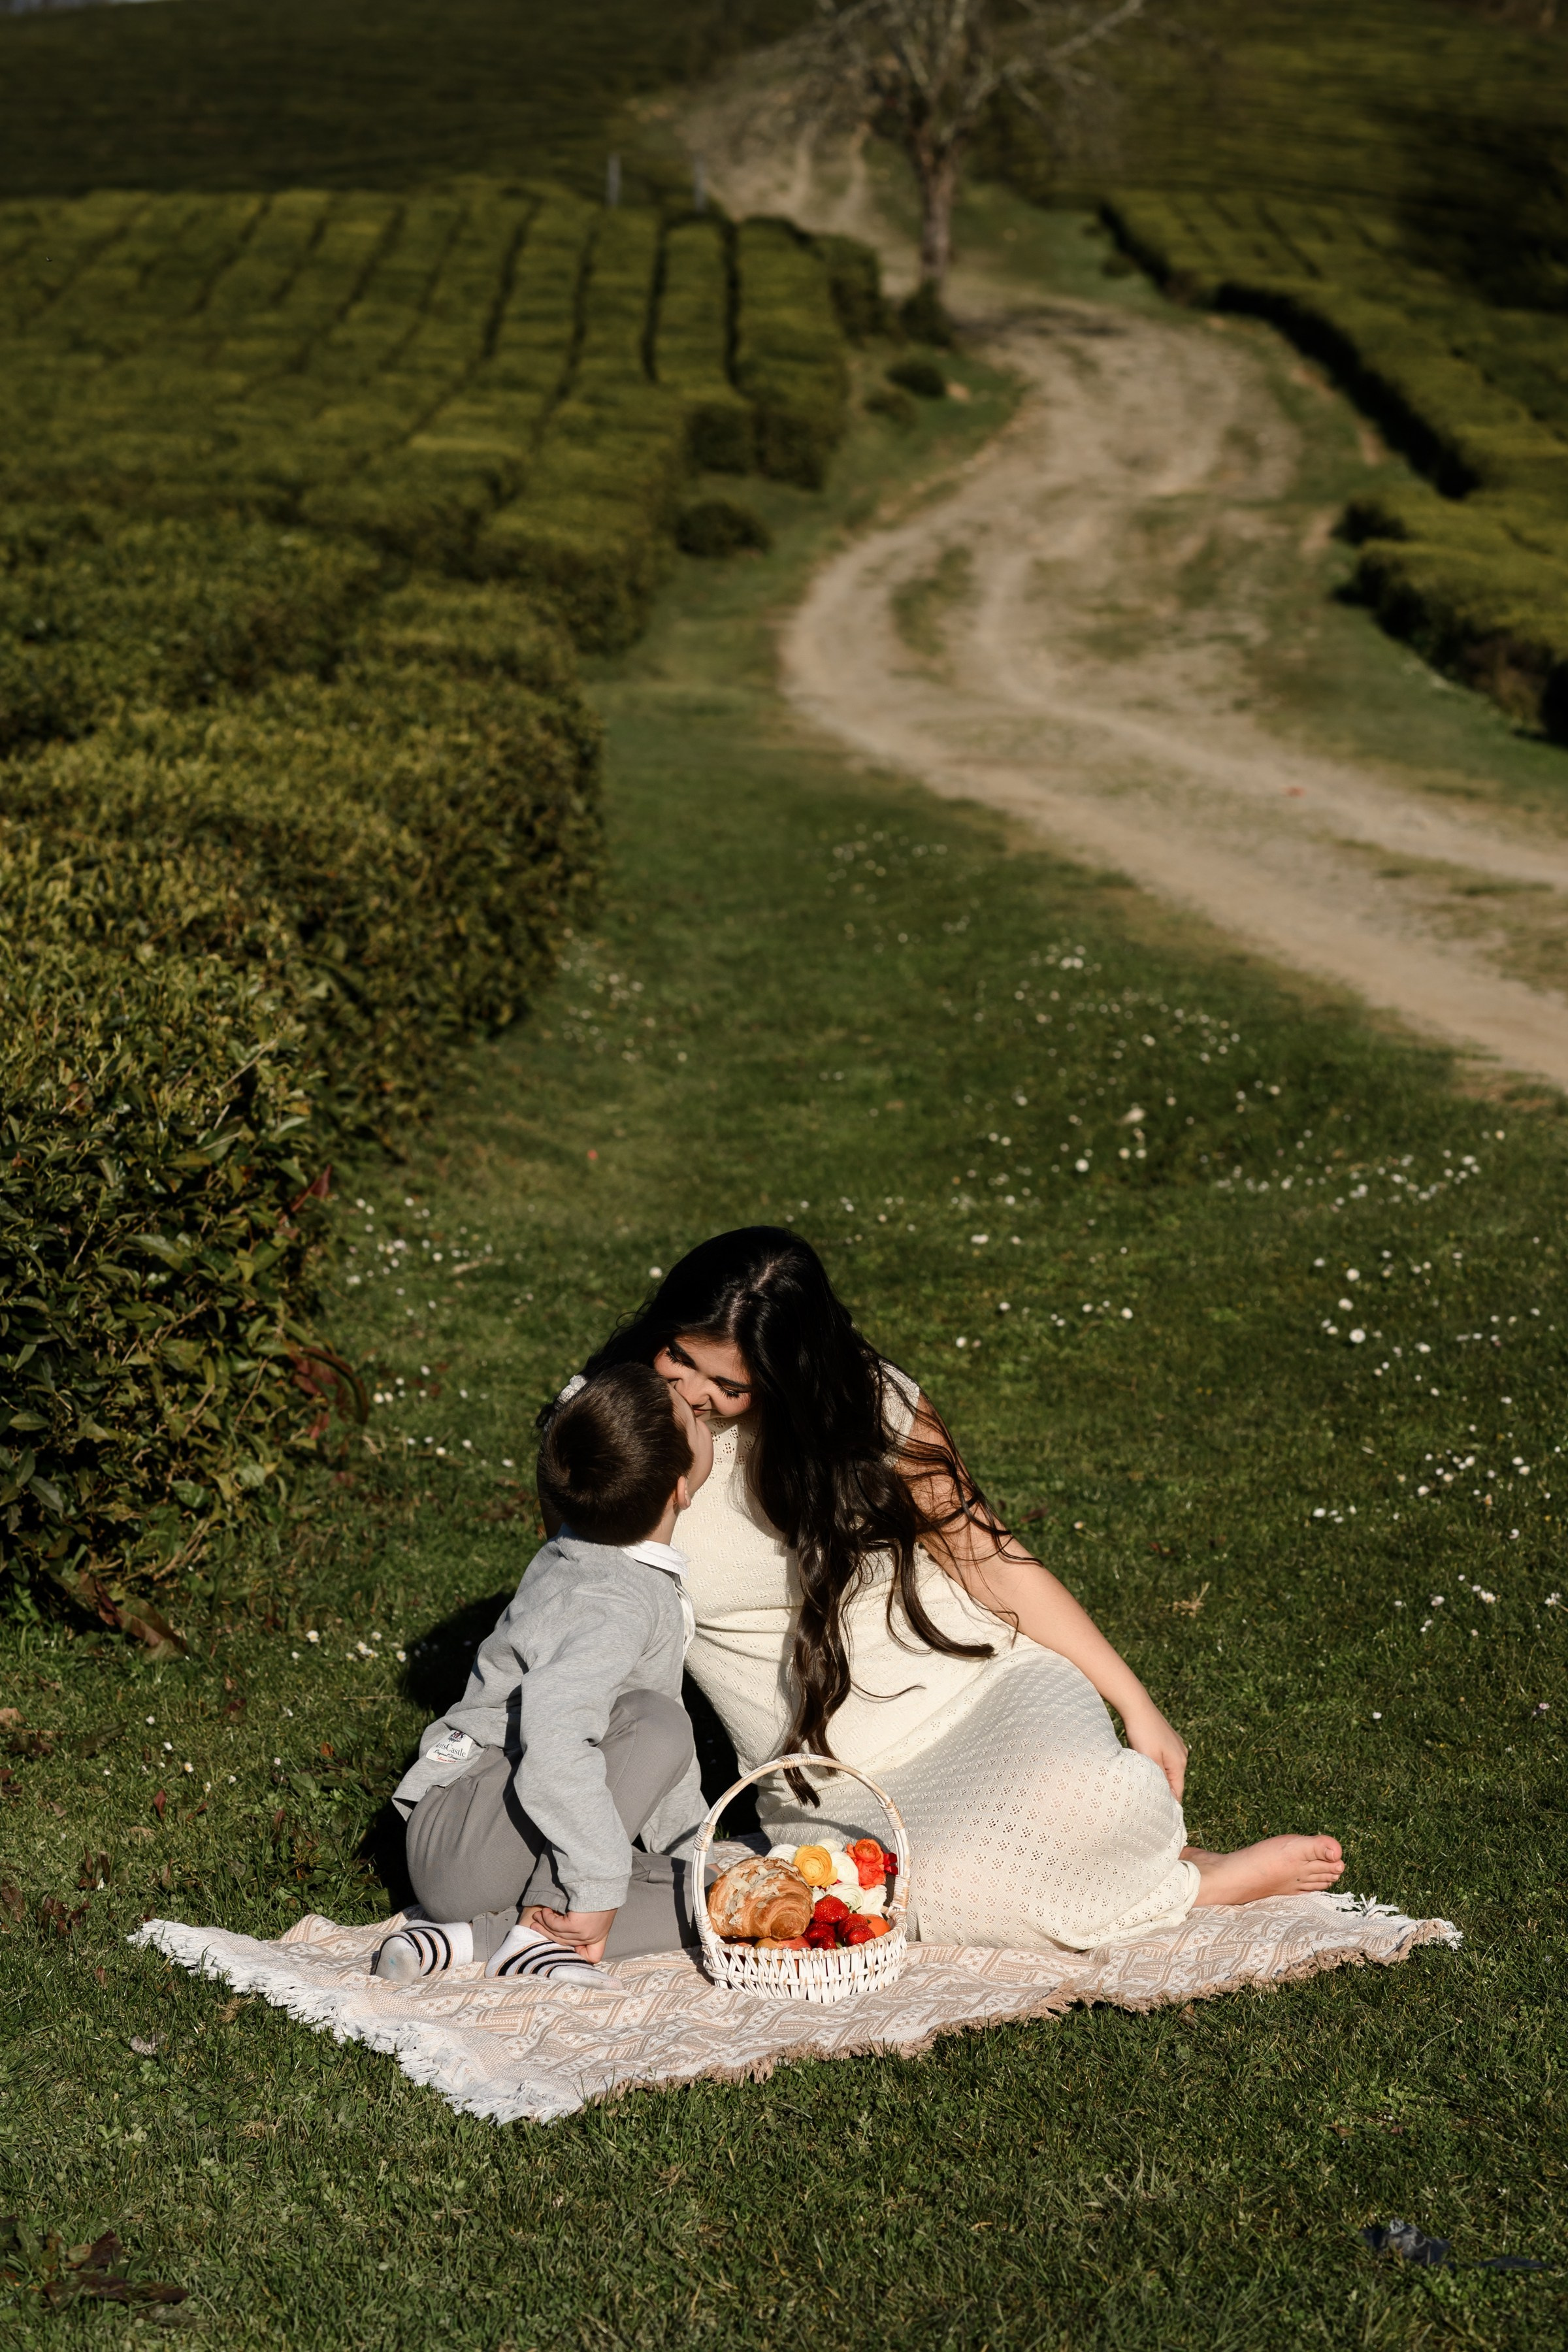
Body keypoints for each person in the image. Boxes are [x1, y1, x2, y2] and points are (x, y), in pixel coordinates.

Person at [563, 1227, 1344, 1952]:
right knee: (942, 1892)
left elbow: (991, 1561)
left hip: (980, 1689)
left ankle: (1146, 1858)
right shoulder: (603, 1425)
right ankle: (1197, 1881)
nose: (691, 1391)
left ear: (786, 1379)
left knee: (1088, 1791)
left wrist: (1139, 1705)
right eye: (679, 1355)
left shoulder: (872, 1409)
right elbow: (589, 1603)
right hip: (836, 1774)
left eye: (727, 1384)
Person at [374, 1362, 713, 1983]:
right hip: (470, 1830)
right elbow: (560, 1737)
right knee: (660, 1724)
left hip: (482, 1850)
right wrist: (590, 1878)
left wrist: (696, 1852)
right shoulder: (617, 1598)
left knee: (713, 1902)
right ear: (682, 1488)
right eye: (695, 1417)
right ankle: (544, 1920)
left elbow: (651, 1768)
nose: (697, 1403)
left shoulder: (581, 1551)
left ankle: (468, 1941)